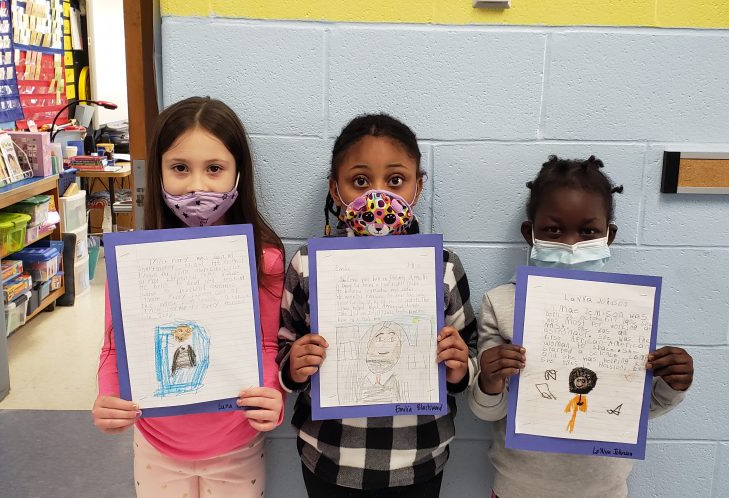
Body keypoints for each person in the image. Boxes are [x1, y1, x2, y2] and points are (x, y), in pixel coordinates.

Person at [92, 97, 285, 497]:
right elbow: (115, 346)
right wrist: (108, 395)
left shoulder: (264, 259)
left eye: (214, 169)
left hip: (237, 442)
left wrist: (272, 394)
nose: (198, 186)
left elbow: (267, 344)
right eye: (180, 168)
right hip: (156, 442)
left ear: (237, 173)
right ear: (159, 172)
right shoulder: (131, 261)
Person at [469, 155, 695, 498]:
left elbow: (637, 410)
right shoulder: (500, 305)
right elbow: (488, 411)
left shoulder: (626, 312)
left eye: (588, 231)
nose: (571, 244)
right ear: (530, 234)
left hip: (603, 490)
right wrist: (489, 380)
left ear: (609, 236)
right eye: (554, 230)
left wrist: (672, 385)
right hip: (517, 488)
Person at [277, 114, 477, 496]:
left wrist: (458, 365)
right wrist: (295, 366)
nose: (378, 195)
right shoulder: (307, 264)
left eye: (396, 180)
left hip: (419, 460)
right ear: (336, 190)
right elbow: (285, 344)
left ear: (418, 187)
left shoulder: (443, 267)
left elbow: (470, 353)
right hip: (330, 457)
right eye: (361, 181)